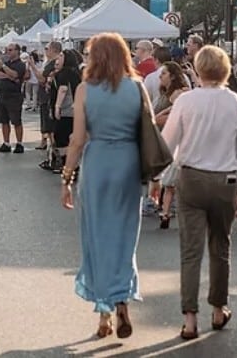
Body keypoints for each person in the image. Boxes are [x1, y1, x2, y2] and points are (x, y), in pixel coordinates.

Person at [161, 45, 237, 339]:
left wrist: (160, 177)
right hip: (225, 179)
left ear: (198, 69)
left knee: (191, 250)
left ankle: (190, 318)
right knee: (220, 246)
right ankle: (218, 308)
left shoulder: (186, 101)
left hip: (191, 177)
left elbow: (168, 142)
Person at [59, 32, 143, 339]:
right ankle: (122, 297)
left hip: (98, 165)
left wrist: (67, 177)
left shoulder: (85, 90)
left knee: (96, 238)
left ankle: (104, 313)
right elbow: (146, 132)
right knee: (124, 238)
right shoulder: (136, 87)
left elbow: (78, 139)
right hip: (129, 163)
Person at [153, 61, 190, 229]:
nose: (160, 77)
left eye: (164, 73)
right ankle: (164, 208)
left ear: (173, 76)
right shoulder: (164, 92)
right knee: (166, 176)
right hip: (161, 136)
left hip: (172, 139)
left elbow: (177, 114)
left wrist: (158, 117)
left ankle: (167, 209)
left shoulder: (178, 93)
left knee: (171, 176)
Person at [51, 49, 83, 173]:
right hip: (76, 108)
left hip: (66, 109)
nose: (58, 59)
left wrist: (57, 106)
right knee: (71, 136)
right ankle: (74, 164)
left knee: (61, 137)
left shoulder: (64, 73)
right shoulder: (77, 73)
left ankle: (67, 164)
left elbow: (63, 89)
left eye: (61, 56)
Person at [0, 44, 26, 154]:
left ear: (17, 51)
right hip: (3, 94)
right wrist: (9, 76)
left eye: (10, 50)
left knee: (16, 121)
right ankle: (6, 143)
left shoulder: (20, 64)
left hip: (14, 96)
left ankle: (19, 143)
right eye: (7, 50)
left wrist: (5, 68)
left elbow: (15, 74)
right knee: (4, 120)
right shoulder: (7, 63)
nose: (8, 52)